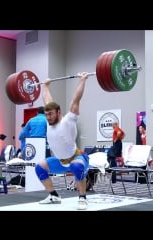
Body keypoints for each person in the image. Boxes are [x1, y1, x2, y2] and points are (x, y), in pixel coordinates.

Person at [34, 72, 90, 210]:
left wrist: (82, 80)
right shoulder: (49, 121)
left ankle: (82, 198)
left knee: (76, 167)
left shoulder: (68, 121)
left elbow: (76, 99)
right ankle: (53, 195)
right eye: (46, 114)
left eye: (50, 114)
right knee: (39, 167)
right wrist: (46, 86)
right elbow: (47, 99)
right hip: (60, 161)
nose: (48, 117)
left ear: (58, 112)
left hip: (77, 158)